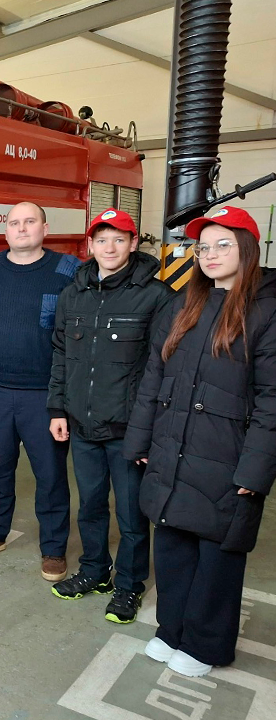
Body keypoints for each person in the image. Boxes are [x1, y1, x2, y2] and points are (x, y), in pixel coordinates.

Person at [124, 206, 276, 677]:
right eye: (202, 247)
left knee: (216, 555)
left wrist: (255, 472)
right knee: (171, 545)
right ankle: (172, 631)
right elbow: (154, 375)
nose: (209, 255)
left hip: (227, 456)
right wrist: (141, 439)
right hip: (173, 447)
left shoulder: (268, 309)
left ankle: (207, 645)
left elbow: (273, 399)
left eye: (222, 245)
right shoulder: (184, 302)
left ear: (247, 249)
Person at [47, 209, 174, 623]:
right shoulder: (74, 293)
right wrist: (57, 408)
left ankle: (129, 585)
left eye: (119, 239)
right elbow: (62, 355)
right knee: (91, 506)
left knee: (132, 515)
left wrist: (149, 430)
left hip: (129, 430)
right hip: (82, 425)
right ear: (90, 246)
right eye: (102, 240)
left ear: (134, 244)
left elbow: (163, 369)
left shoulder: (156, 297)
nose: (110, 247)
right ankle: (95, 571)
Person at [0, 202, 77, 581]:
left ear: (45, 227)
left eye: (30, 221)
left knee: (50, 475)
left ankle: (54, 548)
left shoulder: (69, 272)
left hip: (44, 395)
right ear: (5, 230)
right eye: (15, 223)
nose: (22, 228)